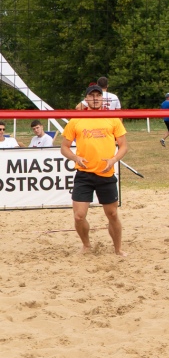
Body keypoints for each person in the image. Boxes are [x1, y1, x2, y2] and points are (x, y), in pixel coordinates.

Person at [58, 84, 128, 256]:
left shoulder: (112, 119)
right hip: (84, 174)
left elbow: (124, 146)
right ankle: (86, 245)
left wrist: (114, 159)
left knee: (112, 214)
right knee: (79, 216)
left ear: (102, 98)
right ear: (86, 99)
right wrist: (75, 157)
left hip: (106, 173)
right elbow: (64, 147)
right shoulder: (76, 120)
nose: (95, 98)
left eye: (98, 95)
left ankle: (118, 249)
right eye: (92, 95)